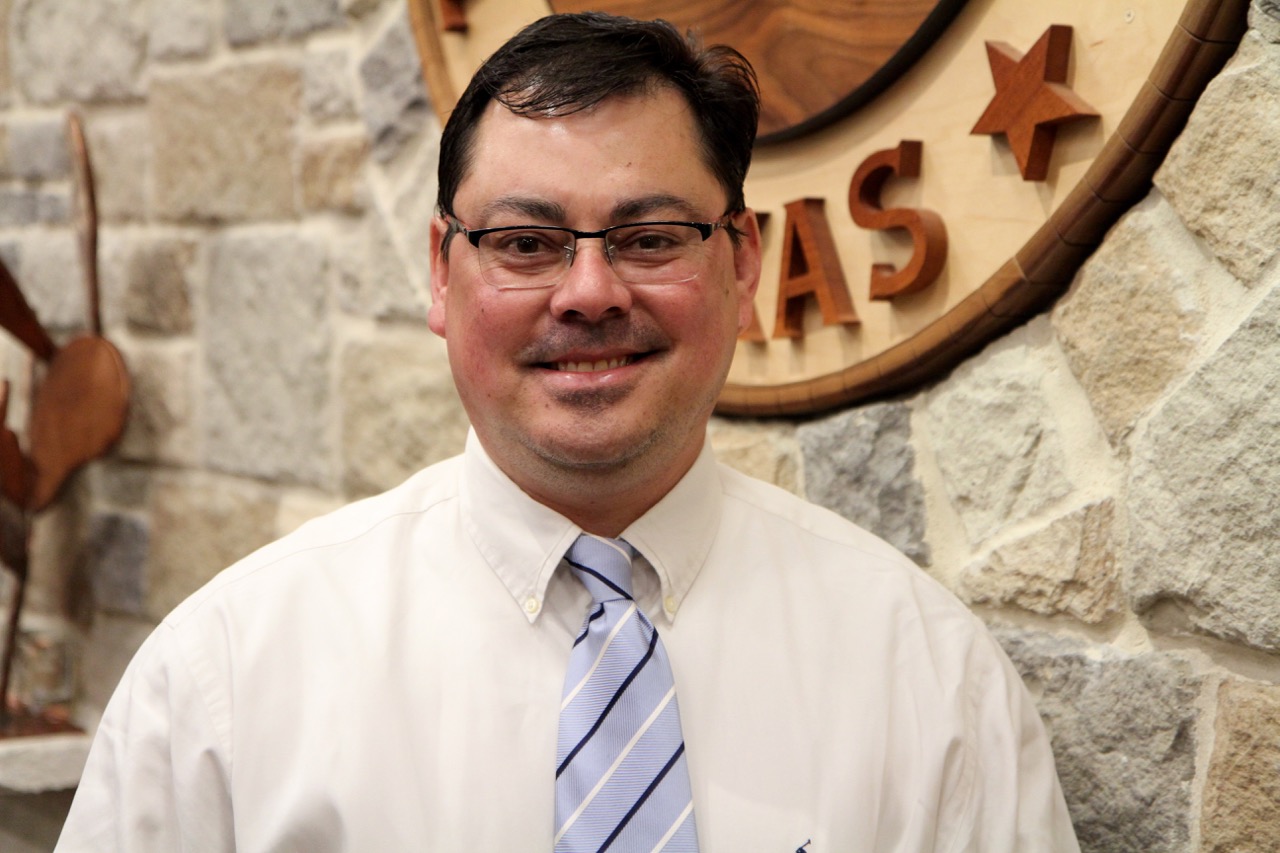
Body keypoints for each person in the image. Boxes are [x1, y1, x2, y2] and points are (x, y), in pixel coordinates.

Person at [56, 12, 1080, 852]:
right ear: (441, 272)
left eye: (650, 237)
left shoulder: (924, 674)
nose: (589, 292)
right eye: (525, 243)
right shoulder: (226, 679)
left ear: (740, 263)